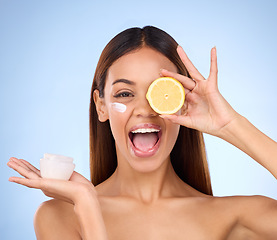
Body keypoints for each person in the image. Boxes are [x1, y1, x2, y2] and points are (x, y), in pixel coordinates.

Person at [7, 26, 277, 239]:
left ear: (181, 102)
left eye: (159, 93)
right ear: (101, 107)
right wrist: (87, 205)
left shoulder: (235, 217)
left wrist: (230, 125)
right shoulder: (60, 215)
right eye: (125, 94)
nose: (144, 109)